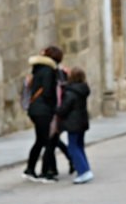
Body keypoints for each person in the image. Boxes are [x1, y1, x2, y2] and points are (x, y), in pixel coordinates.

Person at [23, 45, 64, 183]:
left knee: (41, 140)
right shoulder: (49, 71)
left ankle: (30, 169)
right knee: (48, 141)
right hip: (43, 110)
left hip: (35, 109)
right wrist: (54, 109)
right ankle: (46, 172)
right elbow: (48, 92)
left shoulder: (38, 69)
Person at [57, 67, 93, 184]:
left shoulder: (71, 92)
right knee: (79, 146)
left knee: (73, 147)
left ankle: (83, 171)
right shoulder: (83, 90)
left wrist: (56, 110)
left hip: (73, 123)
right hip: (82, 121)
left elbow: (64, 109)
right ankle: (85, 169)